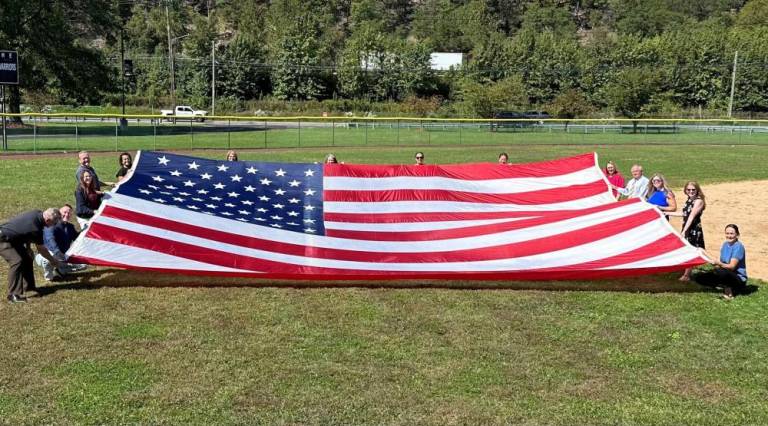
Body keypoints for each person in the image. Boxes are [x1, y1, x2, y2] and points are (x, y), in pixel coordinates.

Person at [0, 208, 62, 303]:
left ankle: (29, 287)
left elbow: (25, 231)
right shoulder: (36, 229)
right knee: (17, 261)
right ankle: (12, 295)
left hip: (13, 239)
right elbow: (42, 250)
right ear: (48, 220)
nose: (53, 225)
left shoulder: (37, 213)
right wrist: (53, 261)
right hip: (3, 239)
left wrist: (28, 248)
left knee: (27, 258)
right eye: (54, 223)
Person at [34, 204, 87, 281]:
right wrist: (59, 254)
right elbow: (50, 240)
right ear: (58, 213)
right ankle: (49, 276)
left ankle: (61, 270)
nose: (67, 214)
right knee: (48, 259)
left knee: (83, 265)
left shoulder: (70, 227)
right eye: (64, 212)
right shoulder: (51, 225)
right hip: (48, 255)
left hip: (62, 257)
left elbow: (77, 238)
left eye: (69, 213)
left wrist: (85, 230)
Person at [666, 181, 706, 281]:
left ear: (697, 190)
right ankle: (687, 272)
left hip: (693, 229)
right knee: (690, 249)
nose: (691, 191)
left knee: (691, 249)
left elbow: (691, 216)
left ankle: (687, 275)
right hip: (688, 227)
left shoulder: (698, 201)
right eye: (688, 190)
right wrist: (665, 212)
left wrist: (684, 230)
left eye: (693, 190)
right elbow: (684, 214)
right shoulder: (689, 200)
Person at [695, 224, 747, 300]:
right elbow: (720, 264)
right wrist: (704, 253)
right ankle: (723, 285)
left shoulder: (738, 247)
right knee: (700, 278)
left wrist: (718, 264)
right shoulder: (725, 245)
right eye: (727, 233)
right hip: (726, 273)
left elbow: (732, 267)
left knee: (721, 272)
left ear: (737, 235)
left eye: (732, 233)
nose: (729, 236)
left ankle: (729, 294)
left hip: (738, 280)